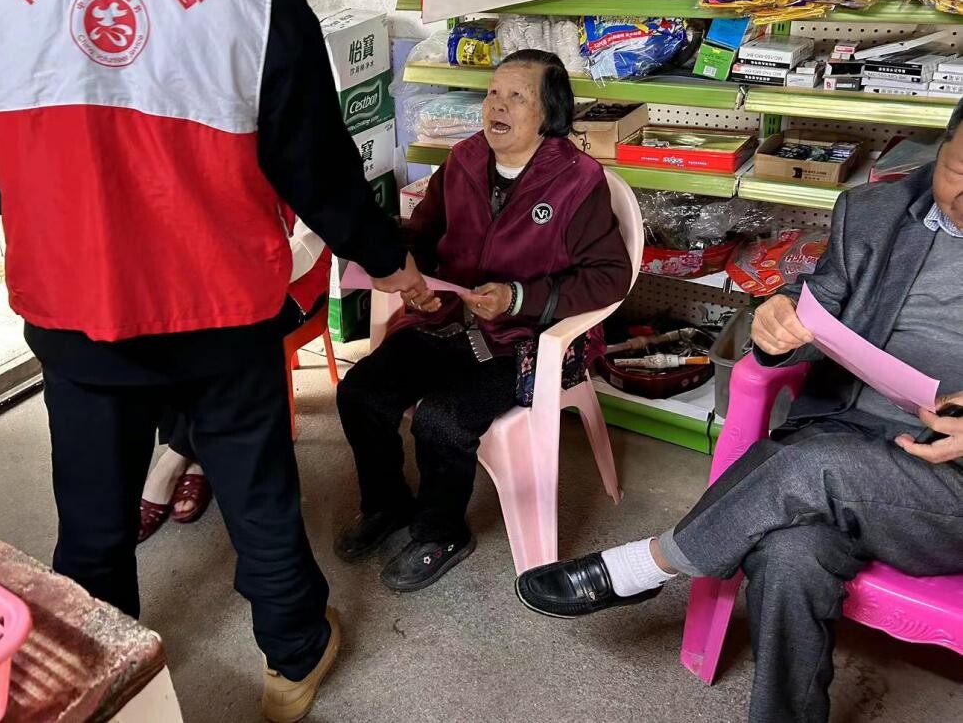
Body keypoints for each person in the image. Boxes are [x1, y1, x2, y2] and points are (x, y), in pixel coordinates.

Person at [0, 0, 431, 720]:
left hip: (73, 306)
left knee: (92, 512)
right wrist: (391, 258)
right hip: (218, 310)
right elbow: (319, 177)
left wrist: (64, 211)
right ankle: (293, 656)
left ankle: (100, 678)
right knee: (257, 489)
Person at [515, 97, 963, 723]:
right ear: (941, 152)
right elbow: (814, 311)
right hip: (846, 431)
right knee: (788, 556)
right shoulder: (876, 212)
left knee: (807, 466)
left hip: (946, 482)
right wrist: (778, 322)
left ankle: (646, 565)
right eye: (958, 172)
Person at [334, 50, 633, 591]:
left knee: (442, 420)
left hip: (524, 341)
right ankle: (386, 503)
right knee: (361, 392)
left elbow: (610, 277)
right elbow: (424, 235)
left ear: (549, 115)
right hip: (450, 321)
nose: (498, 105)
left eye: (517, 96)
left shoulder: (578, 181)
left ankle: (442, 531)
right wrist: (414, 277)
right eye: (494, 93)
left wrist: (519, 297)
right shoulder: (465, 159)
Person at [139, 219, 331, 541]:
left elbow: (307, 245)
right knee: (172, 321)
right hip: (223, 276)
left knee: (223, 339)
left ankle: (172, 461)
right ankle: (197, 459)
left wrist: (231, 278)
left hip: (291, 283)